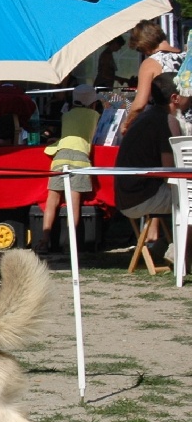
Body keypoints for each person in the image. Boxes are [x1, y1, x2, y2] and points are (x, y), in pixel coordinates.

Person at [115, 72, 190, 260]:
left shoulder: (148, 116)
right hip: (140, 197)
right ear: (175, 98)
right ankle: (180, 251)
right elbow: (171, 173)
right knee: (188, 198)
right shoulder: (166, 121)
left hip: (129, 195)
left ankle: (165, 245)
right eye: (187, 92)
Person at [35, 84, 103, 254]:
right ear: (93, 102)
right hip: (80, 159)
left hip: (60, 157)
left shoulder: (66, 115)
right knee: (74, 205)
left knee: (52, 201)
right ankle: (69, 244)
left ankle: (44, 240)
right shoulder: (95, 116)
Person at [120, 20, 185, 135]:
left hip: (168, 126)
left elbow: (139, 104)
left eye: (139, 49)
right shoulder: (186, 57)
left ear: (144, 44)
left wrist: (126, 124)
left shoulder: (151, 62)